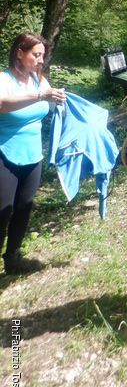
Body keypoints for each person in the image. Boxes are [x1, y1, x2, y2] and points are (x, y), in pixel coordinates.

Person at [0, 32, 66, 274]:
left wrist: (61, 100)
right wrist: (39, 96)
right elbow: (2, 104)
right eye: (36, 55)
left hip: (33, 155)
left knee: (24, 207)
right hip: (5, 154)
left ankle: (13, 259)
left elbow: (53, 104)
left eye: (43, 56)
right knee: (2, 212)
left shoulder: (39, 80)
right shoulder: (3, 79)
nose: (41, 61)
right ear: (20, 53)